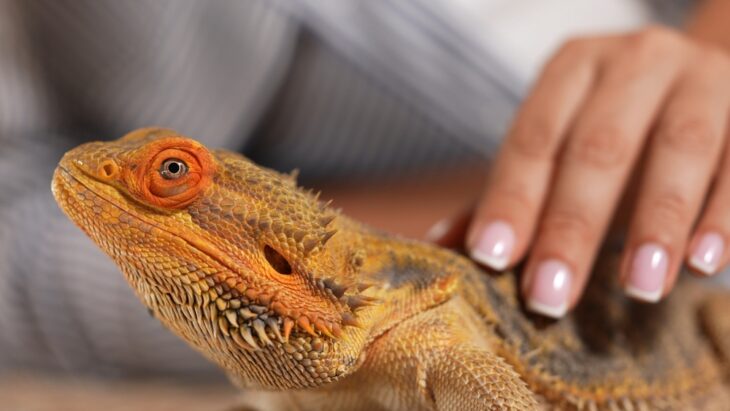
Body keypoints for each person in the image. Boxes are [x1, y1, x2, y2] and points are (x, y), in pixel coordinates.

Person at [0, 0, 725, 378]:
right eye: (171, 176)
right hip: (479, 265)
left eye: (170, 174)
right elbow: (20, 251)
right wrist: (366, 266)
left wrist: (711, 61)